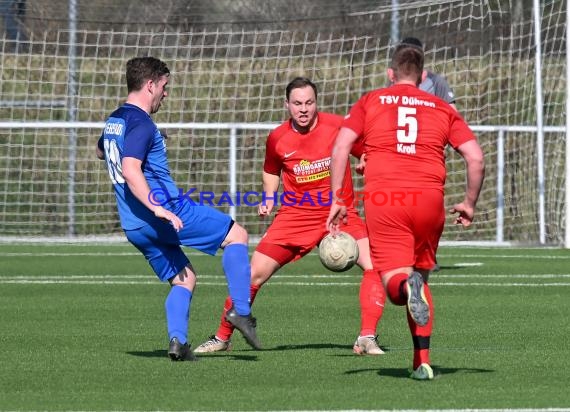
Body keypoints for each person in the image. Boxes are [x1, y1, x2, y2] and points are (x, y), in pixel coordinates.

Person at [194, 77, 386, 356]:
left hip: (339, 213)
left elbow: (365, 151)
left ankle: (367, 337)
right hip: (294, 217)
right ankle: (222, 337)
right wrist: (269, 198)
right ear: (287, 105)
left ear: (316, 103)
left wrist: (366, 161)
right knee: (253, 275)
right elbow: (271, 170)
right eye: (297, 103)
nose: (304, 109)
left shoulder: (337, 127)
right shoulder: (278, 138)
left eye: (309, 102)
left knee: (375, 266)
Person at [326, 42, 485, 380]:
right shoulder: (441, 106)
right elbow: (476, 158)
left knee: (396, 286)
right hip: (430, 200)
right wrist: (469, 203)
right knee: (421, 280)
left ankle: (405, 288)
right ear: (423, 75)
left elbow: (340, 147)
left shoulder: (371, 101)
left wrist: (338, 199)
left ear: (390, 73)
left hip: (387, 201)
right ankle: (421, 362)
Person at [96, 56, 261, 361]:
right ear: (149, 85)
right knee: (237, 235)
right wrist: (159, 209)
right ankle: (241, 310)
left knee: (184, 278)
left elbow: (102, 150)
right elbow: (131, 168)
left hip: (133, 225)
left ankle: (178, 342)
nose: (165, 93)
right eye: (164, 86)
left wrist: (151, 141)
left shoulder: (115, 120)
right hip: (166, 212)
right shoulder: (142, 123)